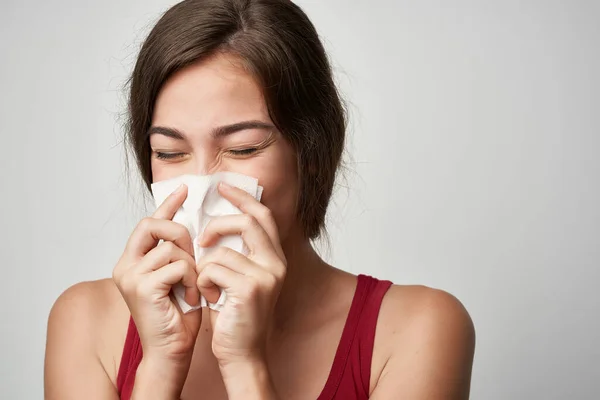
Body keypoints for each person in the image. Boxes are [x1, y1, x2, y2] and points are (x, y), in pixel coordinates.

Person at [44, 1, 475, 399]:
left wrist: (244, 364)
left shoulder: (416, 329)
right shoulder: (85, 321)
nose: (201, 183)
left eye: (244, 148)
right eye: (170, 153)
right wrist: (161, 364)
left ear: (310, 153)